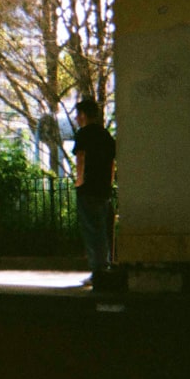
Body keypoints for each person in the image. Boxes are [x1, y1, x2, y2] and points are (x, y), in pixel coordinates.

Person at [72, 98, 115, 285]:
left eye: (78, 114)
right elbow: (112, 163)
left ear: (83, 115)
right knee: (102, 228)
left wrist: (79, 180)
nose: (76, 118)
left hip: (88, 188)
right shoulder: (106, 135)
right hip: (103, 188)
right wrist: (109, 182)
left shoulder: (83, 134)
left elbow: (81, 157)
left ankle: (97, 269)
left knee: (91, 228)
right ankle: (104, 265)